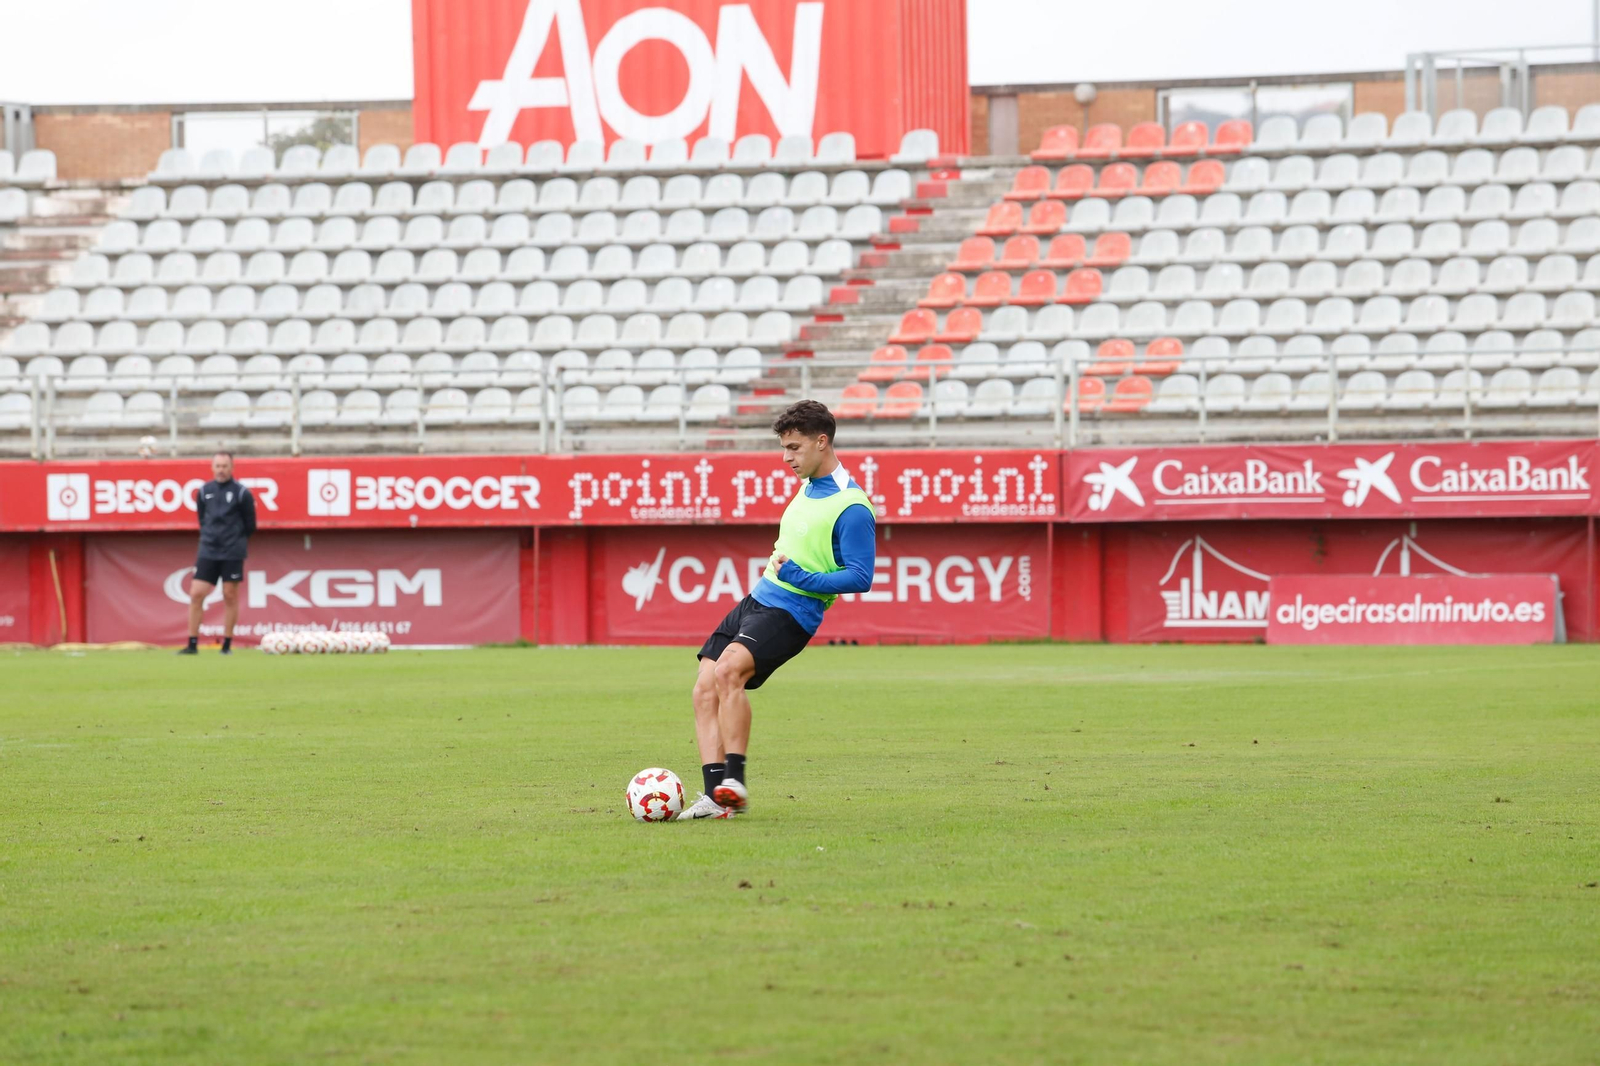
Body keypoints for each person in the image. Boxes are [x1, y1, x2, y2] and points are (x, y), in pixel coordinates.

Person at [678, 400, 877, 820]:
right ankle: (717, 797)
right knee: (703, 689)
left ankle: (735, 782)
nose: (786, 458)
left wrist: (806, 579)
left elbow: (861, 576)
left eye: (794, 448)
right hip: (760, 597)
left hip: (794, 611)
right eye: (784, 448)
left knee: (728, 671)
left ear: (822, 442)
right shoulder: (809, 485)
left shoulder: (853, 506)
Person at [178, 451, 256, 655]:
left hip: (232, 551)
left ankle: (227, 644)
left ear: (232, 468)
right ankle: (192, 643)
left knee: (229, 596)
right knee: (196, 593)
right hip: (209, 550)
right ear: (212, 468)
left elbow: (250, 524)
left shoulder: (241, 493)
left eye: (225, 466)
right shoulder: (204, 491)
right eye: (218, 466)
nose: (221, 470)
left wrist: (234, 540)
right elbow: (202, 519)